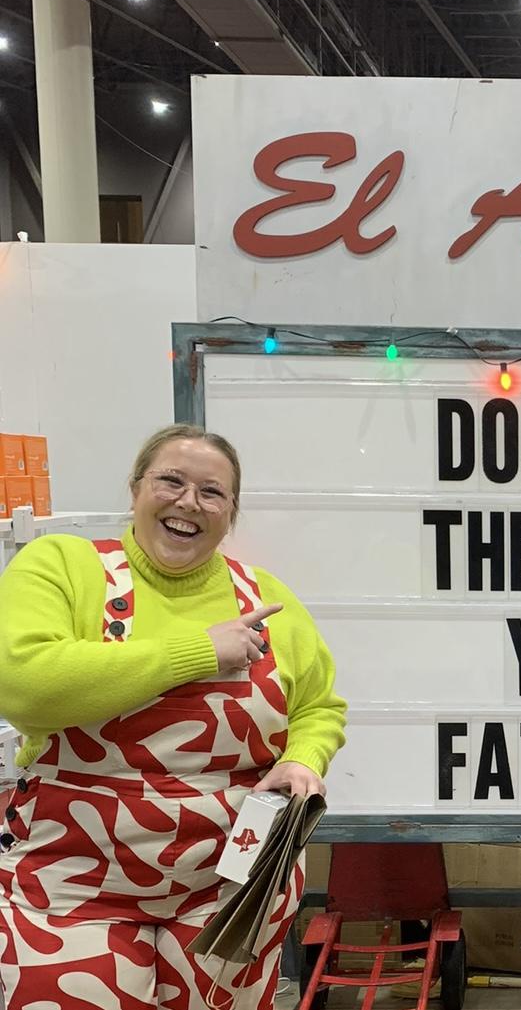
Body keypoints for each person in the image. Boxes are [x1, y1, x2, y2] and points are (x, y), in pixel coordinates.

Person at [0, 424, 347, 1010]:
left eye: (212, 492)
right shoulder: (62, 567)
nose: (189, 502)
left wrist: (302, 759)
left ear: (230, 513)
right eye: (171, 481)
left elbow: (318, 705)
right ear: (136, 488)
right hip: (71, 884)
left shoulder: (268, 599)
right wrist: (202, 651)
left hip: (230, 884)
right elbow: (24, 686)